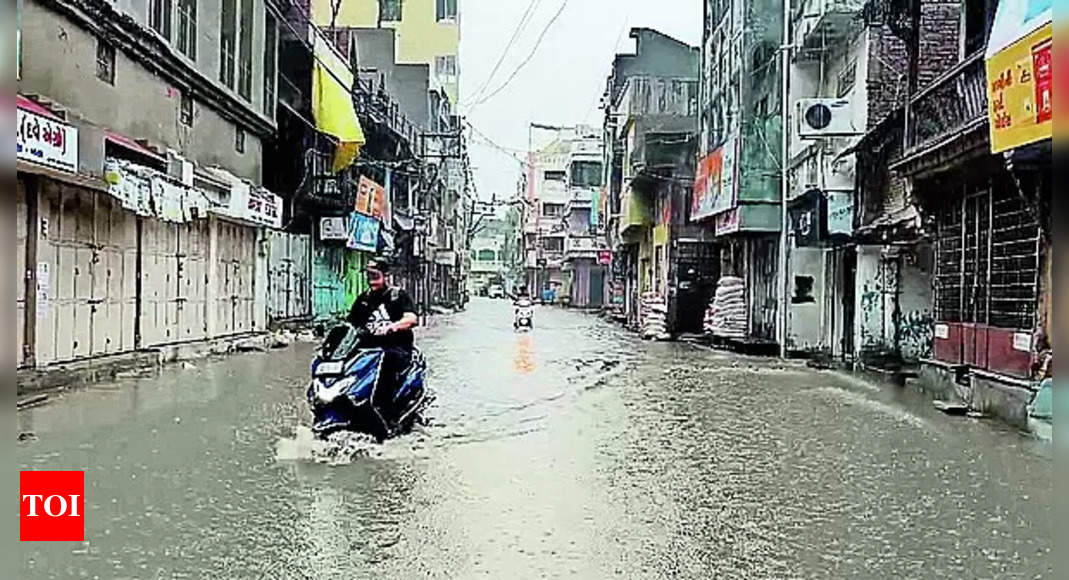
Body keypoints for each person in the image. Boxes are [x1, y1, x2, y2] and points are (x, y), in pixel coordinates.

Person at [345, 257, 419, 414]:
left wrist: (392, 327)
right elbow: (350, 325)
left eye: (375, 276)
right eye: (369, 277)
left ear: (386, 276)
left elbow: (411, 319)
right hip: (368, 350)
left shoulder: (398, 296)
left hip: (396, 348)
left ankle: (384, 410)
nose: (371, 281)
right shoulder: (363, 300)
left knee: (387, 360)